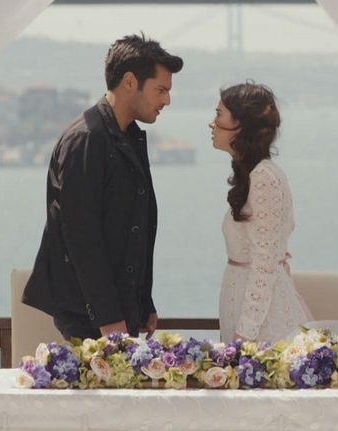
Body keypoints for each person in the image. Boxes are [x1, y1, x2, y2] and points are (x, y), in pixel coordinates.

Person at [23, 34, 183, 341]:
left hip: (119, 310)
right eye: (161, 90)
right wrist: (109, 319)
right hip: (91, 316)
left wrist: (143, 301)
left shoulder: (129, 136)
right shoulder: (86, 139)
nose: (166, 100)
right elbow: (81, 237)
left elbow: (133, 228)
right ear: (129, 82)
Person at [210, 82, 313, 343]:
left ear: (240, 125)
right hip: (241, 302)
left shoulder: (263, 177)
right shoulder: (253, 173)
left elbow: (265, 264)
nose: (212, 123)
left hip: (262, 322)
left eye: (219, 114)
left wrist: (244, 335)